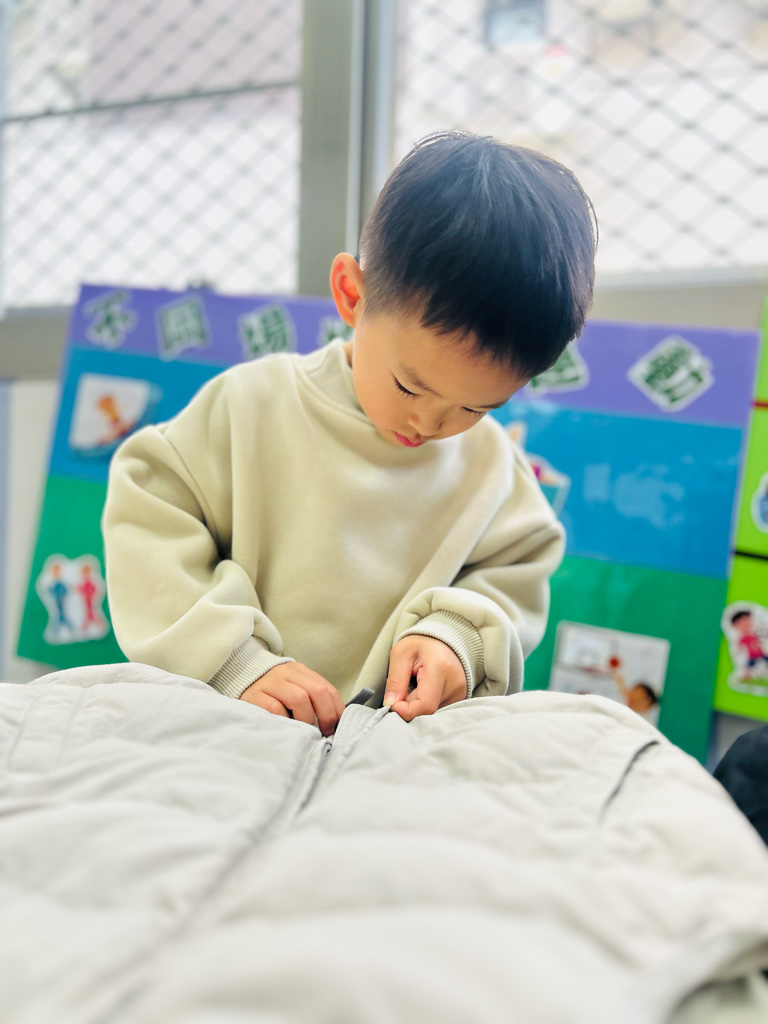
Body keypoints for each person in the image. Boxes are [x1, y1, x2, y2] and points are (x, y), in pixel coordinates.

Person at [102, 130, 597, 736]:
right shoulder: (252, 405)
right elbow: (149, 514)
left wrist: (458, 638)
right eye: (410, 387)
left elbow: (512, 573)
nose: (430, 424)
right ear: (351, 295)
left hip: (389, 745)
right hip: (232, 721)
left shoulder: (492, 466)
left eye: (475, 407)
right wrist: (232, 661)